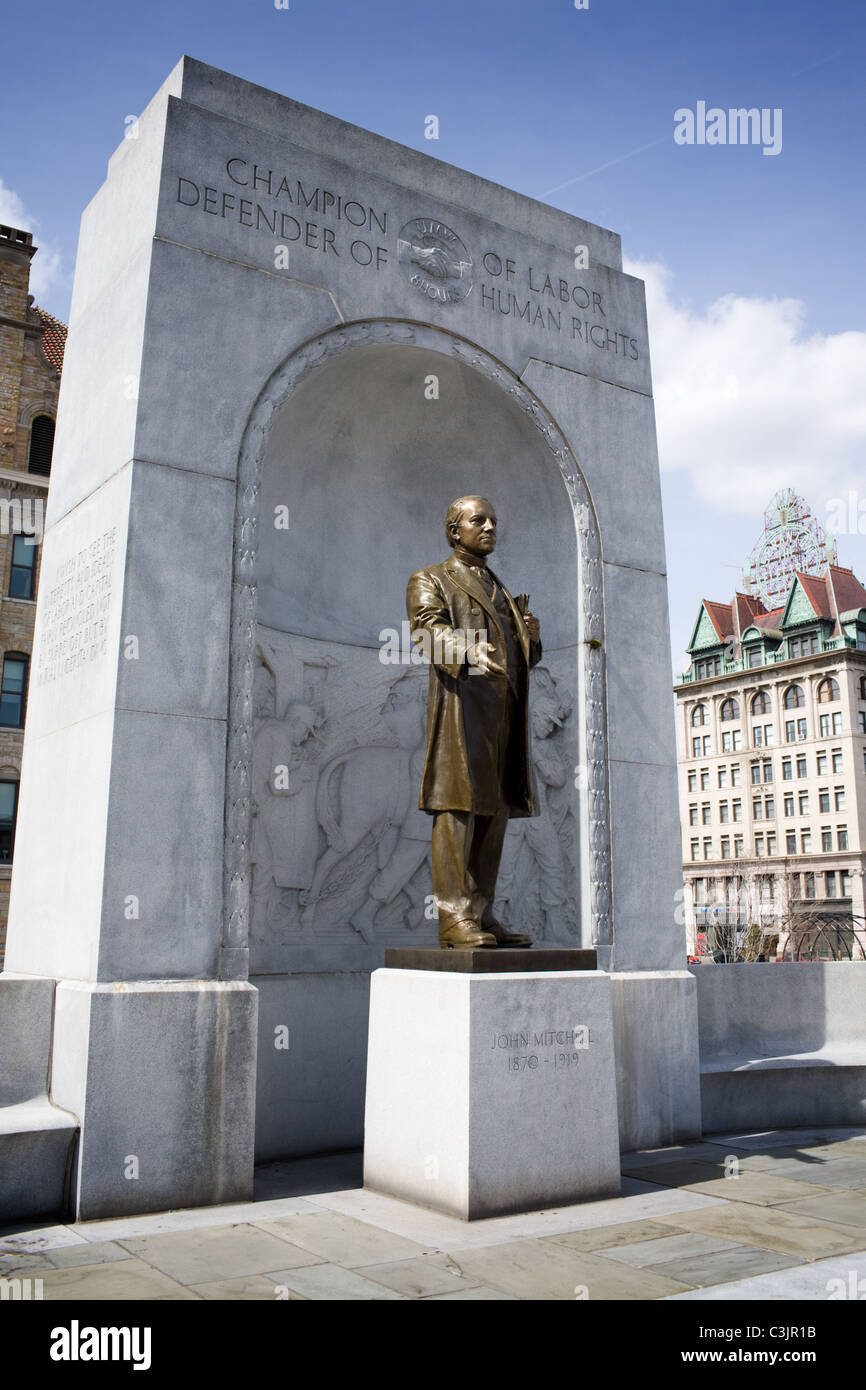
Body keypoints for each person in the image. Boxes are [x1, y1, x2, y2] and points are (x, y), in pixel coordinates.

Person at [406, 495, 542, 948]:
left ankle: (481, 912)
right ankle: (452, 917)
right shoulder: (430, 578)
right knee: (457, 811)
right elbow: (426, 628)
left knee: (495, 811)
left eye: (493, 521)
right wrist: (465, 650)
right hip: (462, 712)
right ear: (454, 530)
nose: (489, 527)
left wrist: (530, 641)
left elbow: (519, 656)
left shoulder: (500, 587)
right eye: (477, 520)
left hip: (504, 716)